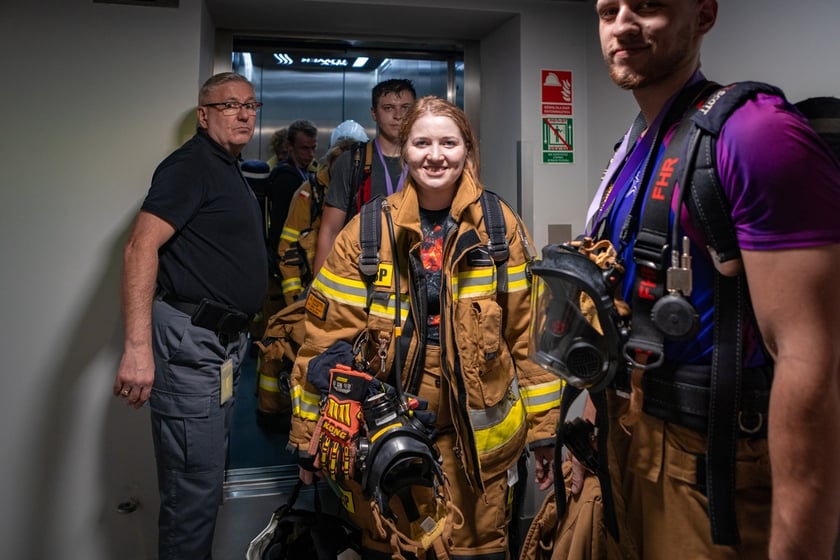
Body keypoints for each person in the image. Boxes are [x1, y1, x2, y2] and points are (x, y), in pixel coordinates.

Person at [556, 1, 840, 558]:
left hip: (709, 465)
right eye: (608, 9)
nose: (623, 24)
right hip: (626, 448)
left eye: (649, 6)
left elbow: (813, 360)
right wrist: (590, 430)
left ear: (704, 15)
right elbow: (624, 310)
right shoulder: (637, 147)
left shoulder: (757, 134)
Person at [288, 96, 561, 559]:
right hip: (385, 440)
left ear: (467, 150)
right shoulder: (367, 231)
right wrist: (307, 437)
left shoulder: (500, 228)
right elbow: (324, 339)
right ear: (404, 149)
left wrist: (544, 434)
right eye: (423, 142)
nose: (436, 154)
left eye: (449, 142)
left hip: (478, 452)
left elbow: (528, 337)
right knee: (393, 549)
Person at [112, 72, 268, 560]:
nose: (243, 114)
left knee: (201, 485)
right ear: (204, 116)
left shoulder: (227, 166)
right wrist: (137, 350)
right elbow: (140, 248)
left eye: (250, 104)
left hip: (217, 346)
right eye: (229, 106)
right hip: (189, 346)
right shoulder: (191, 165)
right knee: (192, 496)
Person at [313, 78, 417, 277]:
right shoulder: (352, 162)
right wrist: (318, 289)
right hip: (361, 274)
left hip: (413, 274)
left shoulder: (428, 161)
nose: (398, 115)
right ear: (374, 114)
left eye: (405, 107)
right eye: (388, 108)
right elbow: (330, 231)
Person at [276, 122, 368, 306]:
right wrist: (296, 303)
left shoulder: (366, 192)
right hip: (314, 291)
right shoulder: (308, 194)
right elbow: (288, 252)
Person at [266, 119, 319, 252]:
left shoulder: (307, 171)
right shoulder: (285, 178)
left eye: (313, 148)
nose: (311, 154)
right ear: (290, 146)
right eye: (305, 148)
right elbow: (281, 222)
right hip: (287, 251)